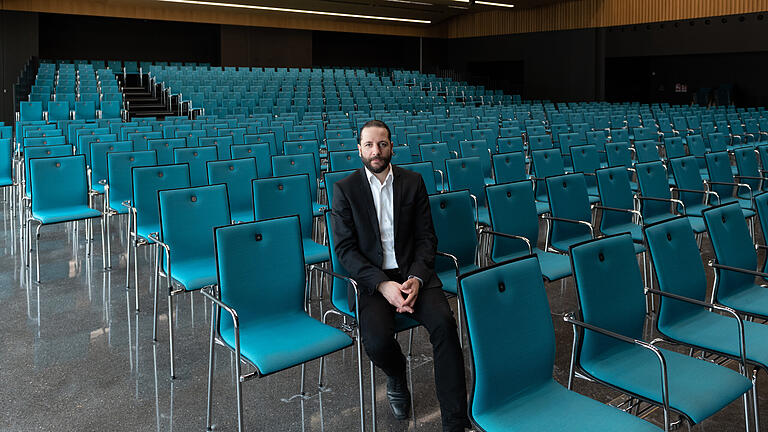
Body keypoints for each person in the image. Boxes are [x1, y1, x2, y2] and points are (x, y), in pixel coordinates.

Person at [330, 120, 470, 432]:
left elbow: (426, 238)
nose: (375, 151)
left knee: (446, 327)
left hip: (413, 274)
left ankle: (455, 421)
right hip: (373, 280)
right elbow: (345, 250)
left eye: (382, 144)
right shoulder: (345, 190)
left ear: (392, 147)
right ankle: (396, 374)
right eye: (369, 145)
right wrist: (382, 285)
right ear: (359, 150)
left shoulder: (413, 181)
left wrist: (417, 278)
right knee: (377, 341)